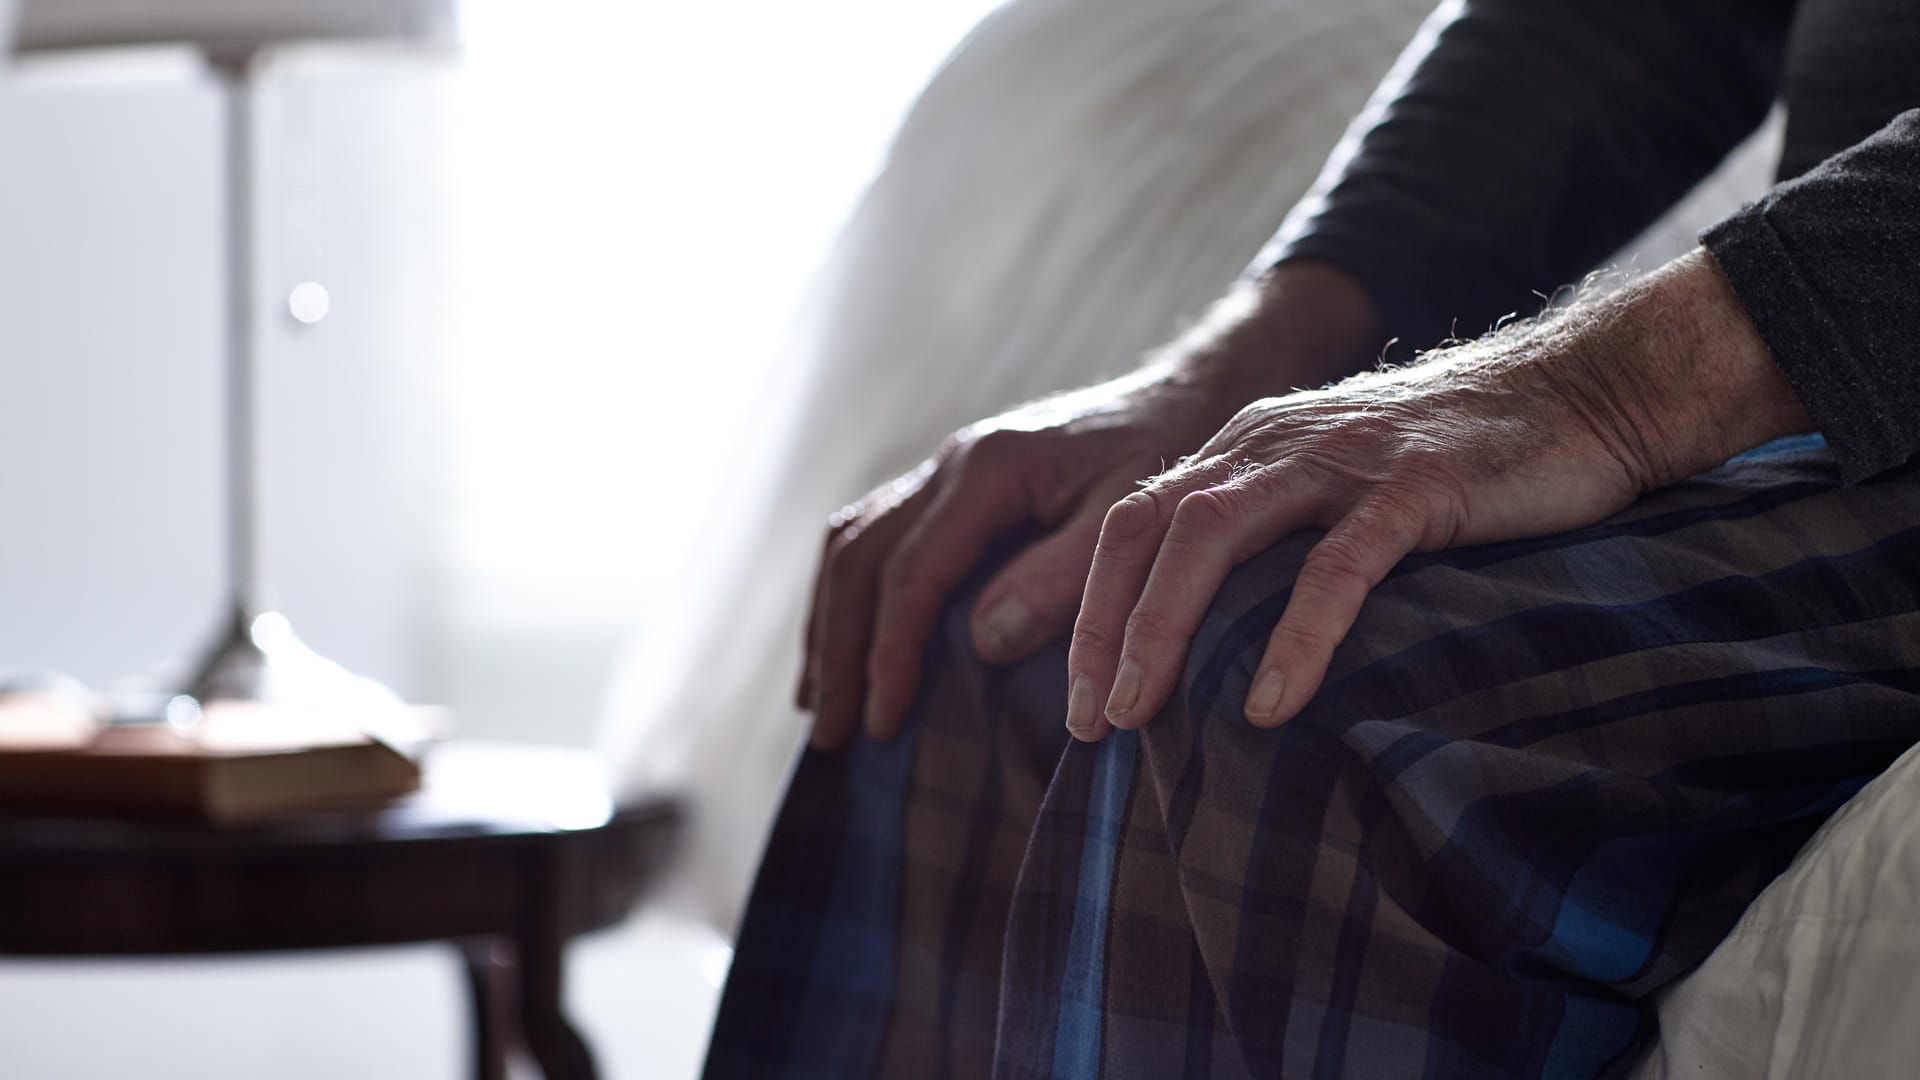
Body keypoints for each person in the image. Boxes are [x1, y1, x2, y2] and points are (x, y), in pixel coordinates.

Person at [705, 0, 1920, 1075]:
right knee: (1023, 608)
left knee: (1283, 678)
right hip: (1803, 419)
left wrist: (1617, 388)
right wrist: (1218, 382)